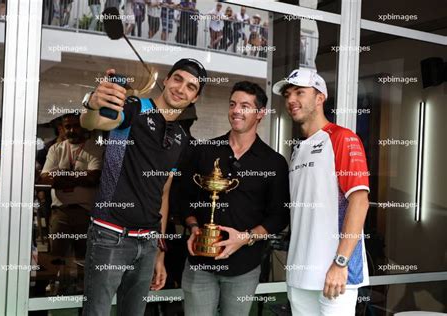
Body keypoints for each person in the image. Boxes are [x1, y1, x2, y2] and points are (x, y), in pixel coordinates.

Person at [79, 58, 207, 315]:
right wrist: (93, 104)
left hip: (148, 242)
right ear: (167, 80)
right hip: (109, 234)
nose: (181, 89)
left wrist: (159, 250)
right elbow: (96, 122)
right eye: (178, 79)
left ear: (194, 98)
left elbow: (165, 192)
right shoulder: (135, 107)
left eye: (191, 87)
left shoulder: (182, 137)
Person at [180, 81, 290, 316]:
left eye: (245, 105)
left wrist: (245, 238)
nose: (236, 110)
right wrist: (193, 227)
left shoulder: (274, 162)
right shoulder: (204, 151)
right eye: (233, 104)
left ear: (260, 113)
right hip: (200, 263)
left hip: (244, 267)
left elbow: (279, 217)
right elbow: (184, 198)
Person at [272, 68, 370, 315]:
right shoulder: (298, 149)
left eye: (299, 92)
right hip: (299, 273)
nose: (291, 99)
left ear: (319, 98)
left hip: (335, 275)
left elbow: (360, 202)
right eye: (287, 94)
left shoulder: (342, 138)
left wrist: (340, 263)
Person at [39, 113, 103, 294]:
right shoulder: (56, 149)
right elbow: (45, 179)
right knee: (56, 258)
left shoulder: (95, 148)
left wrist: (61, 176)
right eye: (67, 127)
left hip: (85, 212)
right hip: (60, 212)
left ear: (84, 127)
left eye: (75, 126)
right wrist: (78, 177)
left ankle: (84, 293)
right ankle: (54, 293)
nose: (71, 130)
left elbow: (93, 177)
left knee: (84, 258)